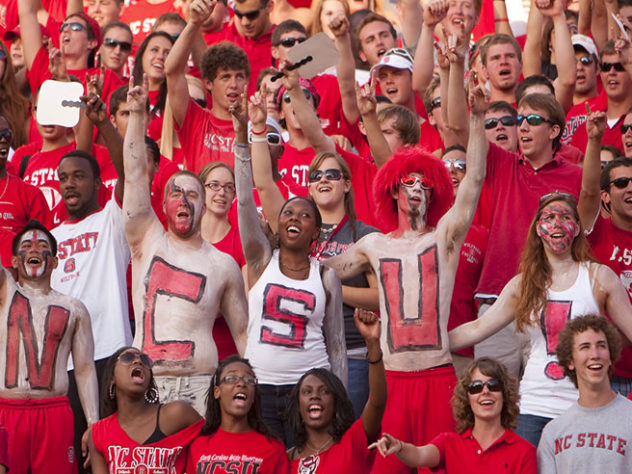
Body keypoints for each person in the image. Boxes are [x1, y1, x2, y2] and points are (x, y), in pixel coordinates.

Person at [323, 81, 489, 474]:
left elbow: (473, 183)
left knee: (442, 467)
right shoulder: (373, 245)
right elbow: (321, 272)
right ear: (393, 191)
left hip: (438, 374)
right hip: (391, 379)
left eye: (424, 184)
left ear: (435, 193)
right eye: (408, 183)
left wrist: (479, 119)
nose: (416, 189)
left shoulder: (445, 238)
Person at [449, 192, 632, 446]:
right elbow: (478, 328)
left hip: (584, 404)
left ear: (577, 228)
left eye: (565, 217)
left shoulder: (600, 277)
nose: (557, 224)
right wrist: (431, 342)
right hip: (533, 406)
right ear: (537, 228)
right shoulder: (523, 284)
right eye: (549, 217)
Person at [248, 85, 379, 418]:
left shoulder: (365, 234)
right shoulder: (296, 230)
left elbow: (382, 298)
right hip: (303, 355)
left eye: (333, 174)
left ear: (347, 184)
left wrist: (330, 288)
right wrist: (259, 128)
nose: (323, 180)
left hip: (354, 353)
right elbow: (263, 183)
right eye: (316, 175)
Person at [123, 74, 248, 416]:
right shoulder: (146, 240)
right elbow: (133, 175)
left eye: (192, 194)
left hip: (201, 386)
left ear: (204, 207)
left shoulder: (223, 264)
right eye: (175, 193)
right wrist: (137, 116)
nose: (183, 200)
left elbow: (243, 336)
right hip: (147, 383)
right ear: (163, 205)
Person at [233, 89, 347, 445]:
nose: (294, 218)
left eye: (304, 215)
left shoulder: (326, 275)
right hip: (261, 388)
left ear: (316, 231)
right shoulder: (260, 260)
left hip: (309, 390)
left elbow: (336, 345)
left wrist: (340, 404)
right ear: (278, 224)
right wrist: (245, 135)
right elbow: (245, 201)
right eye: (287, 213)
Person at [0, 220, 98, 473]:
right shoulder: (4, 294)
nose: (34, 249)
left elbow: (85, 369)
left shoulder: (74, 308)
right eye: (26, 246)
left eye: (43, 246)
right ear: (13, 261)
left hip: (54, 413)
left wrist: (93, 424)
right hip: (6, 413)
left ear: (55, 261)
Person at [370, 357, 536, 473]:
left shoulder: (524, 452)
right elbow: (419, 455)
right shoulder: (448, 443)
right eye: (476, 387)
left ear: (505, 395)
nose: (485, 391)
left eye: (493, 385)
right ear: (467, 398)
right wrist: (399, 446)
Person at [286, 308, 387, 473]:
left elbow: (377, 402)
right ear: (298, 405)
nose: (315, 396)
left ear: (336, 403)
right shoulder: (286, 459)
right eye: (307, 392)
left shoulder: (353, 441)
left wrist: (373, 344)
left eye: (324, 391)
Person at [538, 315, 632, 472]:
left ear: (610, 357)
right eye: (585, 347)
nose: (595, 355)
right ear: (570, 361)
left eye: (601, 346)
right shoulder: (554, 432)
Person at [166, 0, 251, 171]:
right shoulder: (195, 120)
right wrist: (193, 23)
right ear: (209, 84)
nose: (234, 84)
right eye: (225, 77)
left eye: (239, 77)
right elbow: (172, 71)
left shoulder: (256, 127)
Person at [89, 347, 203, 472]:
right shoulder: (99, 433)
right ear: (112, 378)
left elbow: (213, 447)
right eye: (127, 358)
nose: (138, 361)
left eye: (145, 360)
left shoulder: (177, 413)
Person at [185, 356, 290, 473]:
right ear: (217, 392)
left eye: (249, 380)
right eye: (231, 378)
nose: (241, 383)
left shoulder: (273, 447)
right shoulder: (198, 444)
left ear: (253, 396)